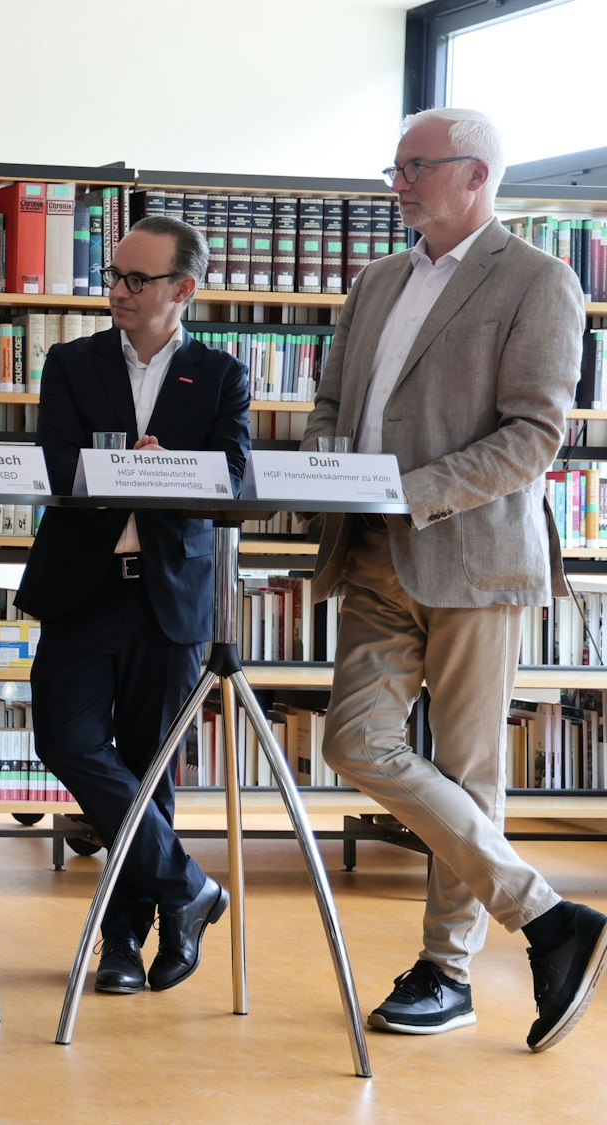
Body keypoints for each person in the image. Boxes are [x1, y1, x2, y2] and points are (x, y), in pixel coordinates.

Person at [305, 107, 607, 1051]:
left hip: (474, 555)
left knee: (471, 776)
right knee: (356, 740)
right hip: (369, 553)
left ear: (475, 175)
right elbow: (329, 404)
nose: (397, 182)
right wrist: (321, 467)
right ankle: (548, 915)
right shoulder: (376, 281)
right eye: (395, 167)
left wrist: (410, 493)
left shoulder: (538, 281)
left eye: (415, 166)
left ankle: (448, 970)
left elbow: (534, 435)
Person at [16, 215, 251, 997]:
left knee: (153, 771)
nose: (118, 290)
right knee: (63, 737)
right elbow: (57, 464)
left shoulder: (221, 374)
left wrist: (173, 469)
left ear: (183, 289)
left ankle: (124, 943)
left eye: (137, 280)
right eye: (115, 277)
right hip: (83, 588)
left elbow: (237, 482)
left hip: (170, 597)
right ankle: (186, 885)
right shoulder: (71, 362)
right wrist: (121, 469)